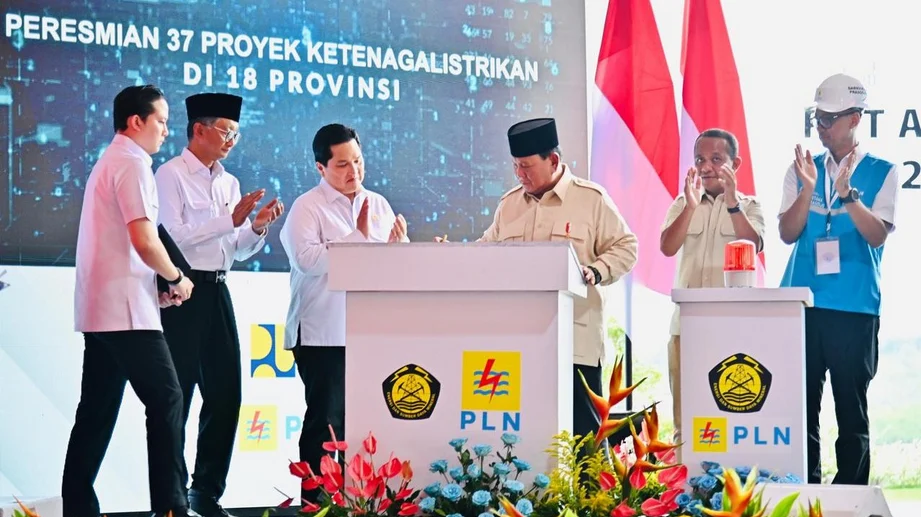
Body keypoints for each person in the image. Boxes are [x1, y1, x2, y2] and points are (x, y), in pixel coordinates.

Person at [62, 84, 196, 517]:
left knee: (97, 412)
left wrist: (156, 288)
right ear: (136, 121)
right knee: (167, 399)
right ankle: (171, 507)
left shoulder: (110, 160)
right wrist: (176, 277)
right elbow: (144, 240)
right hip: (125, 313)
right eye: (161, 122)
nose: (166, 131)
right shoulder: (134, 164)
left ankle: (78, 506)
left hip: (103, 309)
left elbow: (121, 244)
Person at [154, 92, 284, 517]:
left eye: (236, 134)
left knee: (227, 394)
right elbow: (171, 237)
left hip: (218, 290)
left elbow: (235, 249)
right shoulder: (169, 175)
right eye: (226, 132)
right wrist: (228, 221)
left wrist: (255, 228)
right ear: (199, 130)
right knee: (178, 397)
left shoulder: (229, 182)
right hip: (181, 291)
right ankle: (170, 497)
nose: (232, 141)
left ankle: (206, 492)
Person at [475, 117, 638, 444]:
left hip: (576, 342)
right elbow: (485, 252)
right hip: (519, 343)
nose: (519, 174)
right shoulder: (509, 205)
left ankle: (593, 482)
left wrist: (597, 270)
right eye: (515, 166)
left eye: (526, 166)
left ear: (552, 160)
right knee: (523, 435)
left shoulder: (590, 199)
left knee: (584, 439)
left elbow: (626, 247)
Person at [779, 73, 898, 485]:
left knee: (851, 408)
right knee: (800, 406)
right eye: (818, 118)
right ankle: (804, 488)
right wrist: (807, 189)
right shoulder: (802, 169)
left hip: (854, 306)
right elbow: (788, 232)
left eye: (830, 119)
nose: (822, 126)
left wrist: (847, 196)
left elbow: (876, 235)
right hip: (802, 303)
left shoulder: (883, 171)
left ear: (855, 119)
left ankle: (851, 494)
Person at [280, 123, 408, 504]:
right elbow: (306, 260)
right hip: (323, 334)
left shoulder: (379, 204)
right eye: (342, 164)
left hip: (369, 334)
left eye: (358, 161)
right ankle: (317, 507)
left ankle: (359, 506)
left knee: (364, 427)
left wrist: (399, 249)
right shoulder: (307, 207)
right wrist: (357, 239)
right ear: (321, 167)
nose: (354, 171)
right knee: (326, 425)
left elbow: (386, 271)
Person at [659, 128, 765, 448]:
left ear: (736, 164)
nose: (706, 167)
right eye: (699, 160)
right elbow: (667, 247)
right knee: (685, 418)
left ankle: (727, 477)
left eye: (716, 159)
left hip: (731, 328)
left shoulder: (749, 205)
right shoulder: (684, 203)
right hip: (685, 326)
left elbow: (754, 244)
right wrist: (690, 207)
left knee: (729, 414)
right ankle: (684, 478)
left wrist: (732, 204)